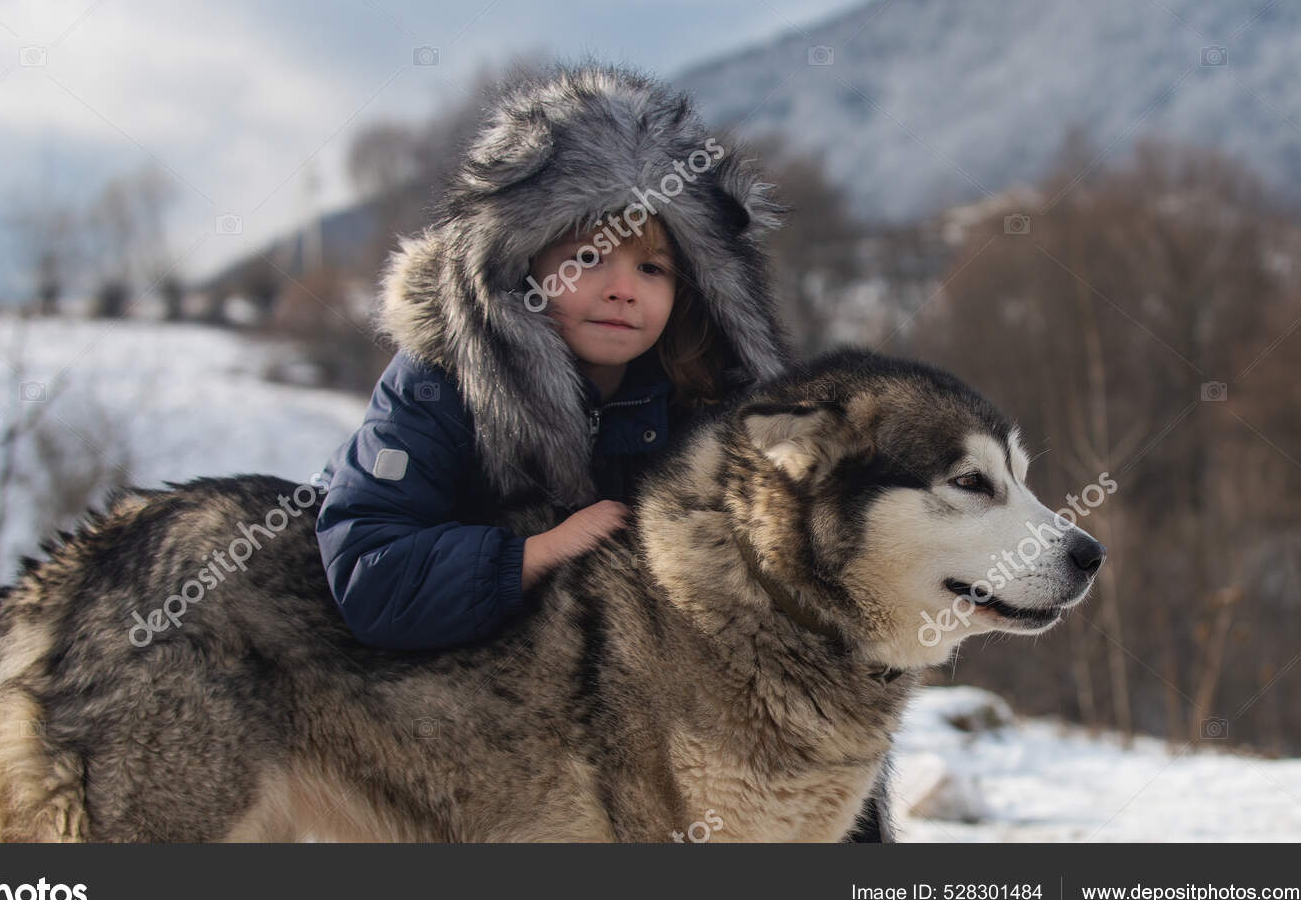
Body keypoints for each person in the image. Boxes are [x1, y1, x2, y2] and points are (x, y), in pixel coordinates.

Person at [310, 59, 893, 841]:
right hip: (471, 733)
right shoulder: (440, 382)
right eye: (589, 259)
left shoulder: (715, 410)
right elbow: (368, 571)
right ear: (519, 268)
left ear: (690, 289)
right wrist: (537, 553)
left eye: (652, 267)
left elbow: (793, 613)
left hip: (658, 746)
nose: (623, 288)